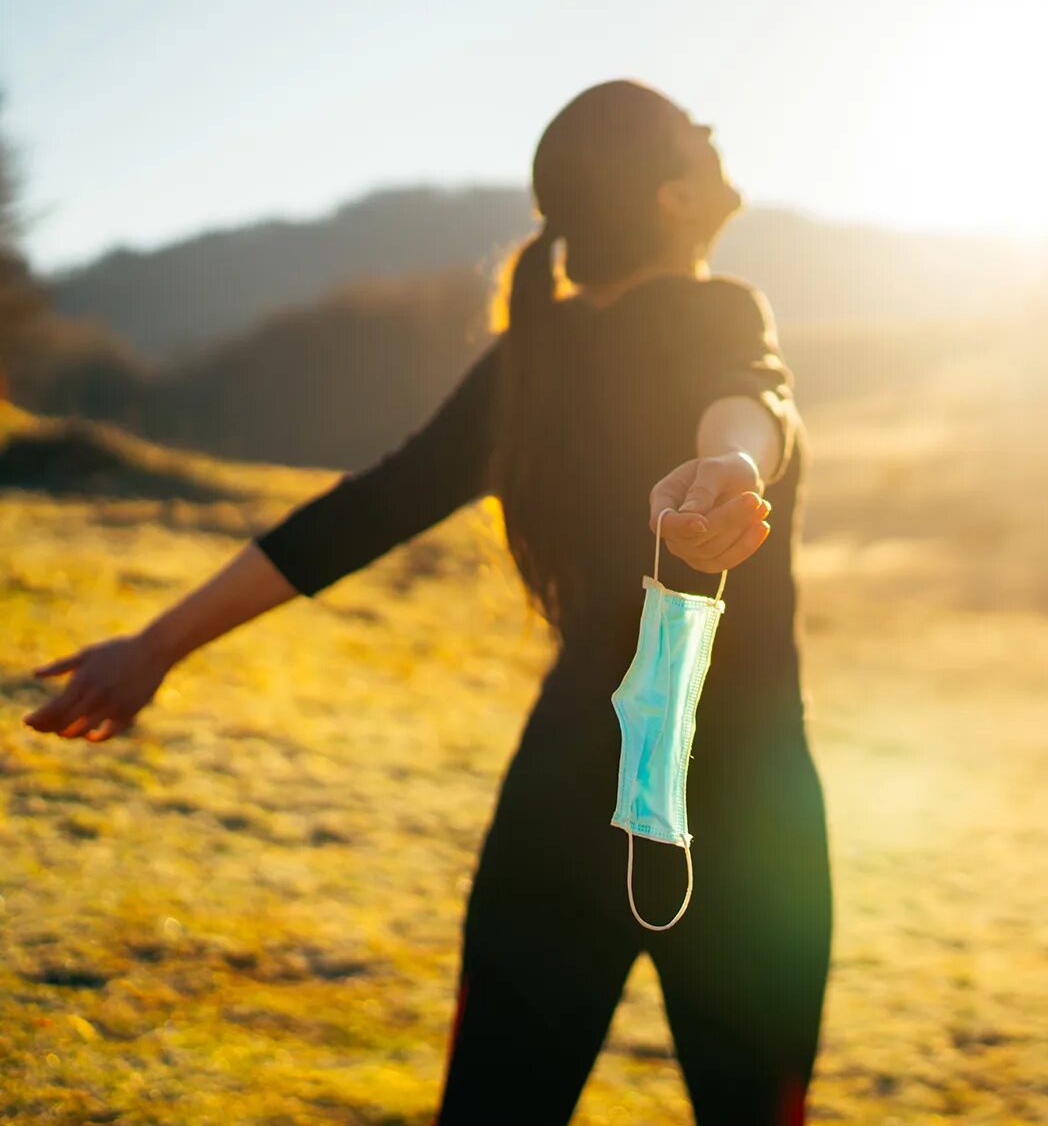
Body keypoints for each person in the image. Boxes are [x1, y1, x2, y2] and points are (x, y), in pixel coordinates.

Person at [22, 79, 834, 1125]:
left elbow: (360, 510)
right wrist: (731, 458)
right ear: (672, 199)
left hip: (560, 798)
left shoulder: (528, 360)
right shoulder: (707, 309)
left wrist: (158, 644)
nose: (716, 131)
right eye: (692, 132)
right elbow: (753, 387)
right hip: (747, 807)